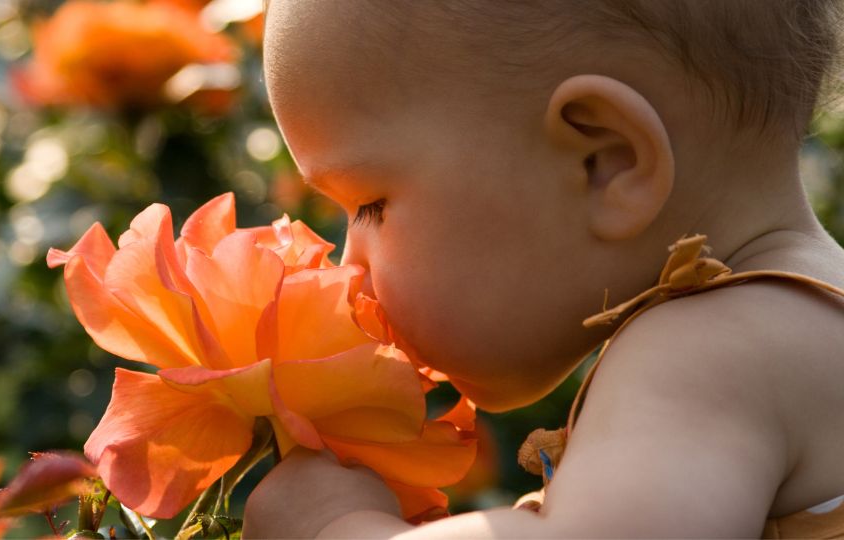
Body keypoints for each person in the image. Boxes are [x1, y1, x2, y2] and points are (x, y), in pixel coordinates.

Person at [243, 0, 844, 537]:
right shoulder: (799, 318)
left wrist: (337, 528)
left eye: (371, 205)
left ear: (604, 161)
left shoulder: (710, 355)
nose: (351, 270)